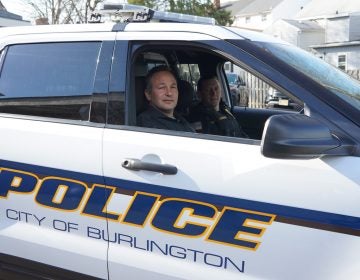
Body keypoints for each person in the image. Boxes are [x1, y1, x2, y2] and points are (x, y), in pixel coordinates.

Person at [137, 65, 194, 132]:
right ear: (148, 94)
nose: (169, 93)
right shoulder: (148, 125)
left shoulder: (178, 117)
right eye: (162, 87)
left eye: (173, 87)